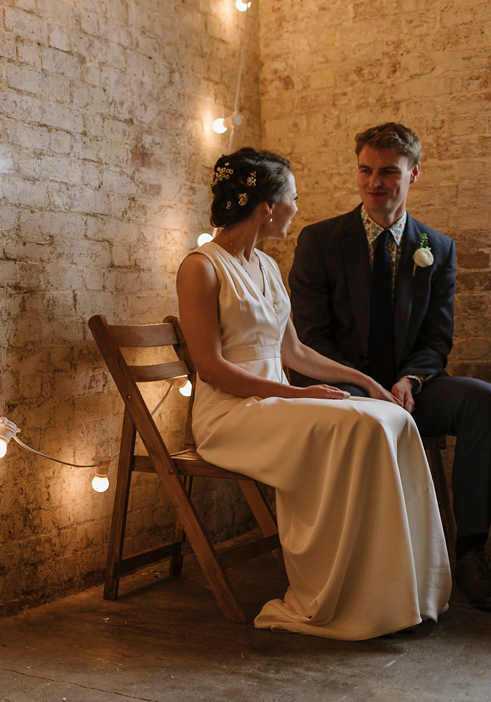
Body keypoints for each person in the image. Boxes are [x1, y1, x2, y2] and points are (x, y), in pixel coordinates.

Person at [177, 147, 451, 640]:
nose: (297, 209)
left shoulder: (264, 266)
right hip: (229, 417)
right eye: (293, 198)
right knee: (356, 427)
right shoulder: (201, 267)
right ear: (267, 206)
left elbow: (296, 354)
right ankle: (342, 595)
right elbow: (211, 368)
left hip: (273, 403)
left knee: (388, 417)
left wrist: (366, 384)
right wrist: (300, 397)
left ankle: (397, 589)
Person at [289, 123, 491, 613]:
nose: (374, 183)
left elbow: (437, 338)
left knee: (485, 401)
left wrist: (410, 380)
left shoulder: (438, 248)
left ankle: (471, 553)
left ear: (414, 173)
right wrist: (364, 386)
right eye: (366, 171)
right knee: (371, 411)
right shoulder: (320, 241)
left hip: (410, 388)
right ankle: (377, 563)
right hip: (341, 388)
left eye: (388, 172)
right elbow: (310, 337)